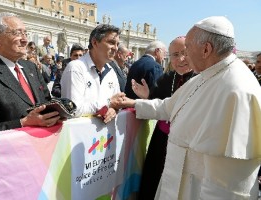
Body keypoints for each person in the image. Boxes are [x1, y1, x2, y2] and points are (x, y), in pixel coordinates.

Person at [112, 16, 261, 199]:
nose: (185, 56)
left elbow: (229, 183)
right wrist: (133, 103)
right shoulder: (205, 76)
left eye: (188, 48)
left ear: (206, 49)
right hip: (176, 182)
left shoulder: (237, 89)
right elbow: (169, 106)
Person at [0, 12, 60, 133]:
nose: (25, 40)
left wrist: (60, 112)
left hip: (44, 144)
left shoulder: (31, 68)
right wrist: (23, 122)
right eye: (17, 33)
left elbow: (47, 102)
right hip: (13, 149)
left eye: (25, 33)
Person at [133, 36, 196, 200]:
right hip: (161, 141)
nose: (180, 59)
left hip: (187, 143)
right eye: (175, 55)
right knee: (153, 179)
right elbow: (157, 104)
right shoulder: (166, 78)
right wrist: (147, 97)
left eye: (185, 53)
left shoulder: (201, 80)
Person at [61, 24, 121, 123]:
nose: (116, 48)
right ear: (95, 43)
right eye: (111, 42)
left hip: (105, 136)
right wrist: (108, 103)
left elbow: (117, 102)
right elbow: (73, 110)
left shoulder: (111, 71)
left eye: (117, 44)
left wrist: (114, 109)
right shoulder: (76, 68)